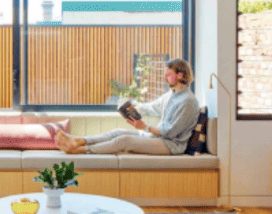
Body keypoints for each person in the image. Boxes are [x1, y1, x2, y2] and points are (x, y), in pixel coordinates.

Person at [56, 58, 200, 155]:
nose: (165, 78)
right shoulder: (171, 95)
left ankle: (81, 149)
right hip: (158, 137)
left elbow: (171, 132)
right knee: (118, 132)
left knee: (124, 141)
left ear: (180, 75)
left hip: (171, 145)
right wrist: (136, 108)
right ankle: (79, 140)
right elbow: (153, 106)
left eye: (168, 75)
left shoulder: (188, 101)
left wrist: (145, 127)